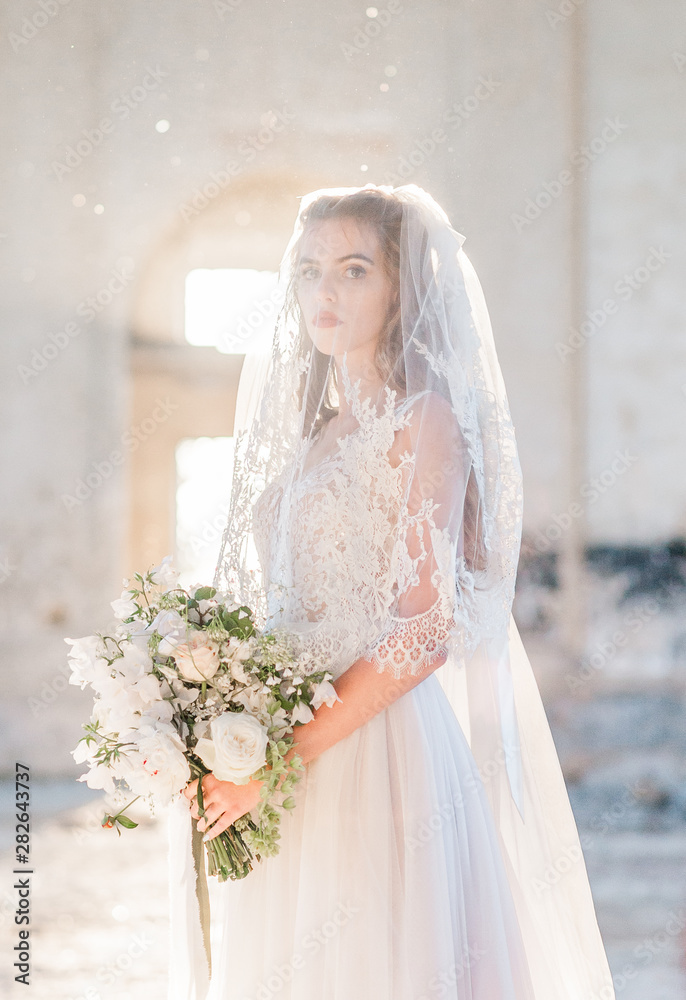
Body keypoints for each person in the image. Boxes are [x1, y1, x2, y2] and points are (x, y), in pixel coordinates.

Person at [174, 184, 616, 1000]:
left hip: (377, 758)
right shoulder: (314, 441)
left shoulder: (424, 423)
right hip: (292, 762)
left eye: (352, 269)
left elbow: (424, 631)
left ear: (400, 288)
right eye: (310, 272)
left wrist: (270, 764)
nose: (325, 293)